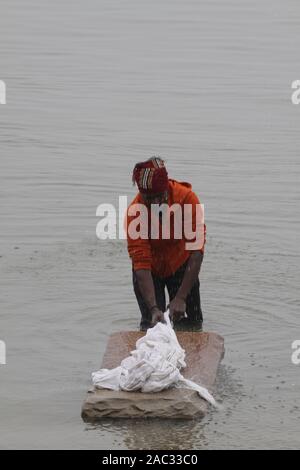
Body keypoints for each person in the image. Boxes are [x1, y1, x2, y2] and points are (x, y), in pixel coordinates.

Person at [126, 157, 206, 331]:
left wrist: (181, 298)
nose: (155, 203)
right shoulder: (135, 212)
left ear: (166, 189)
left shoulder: (187, 199)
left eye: (159, 197)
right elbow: (141, 265)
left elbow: (197, 251)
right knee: (153, 325)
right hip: (150, 272)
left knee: (193, 324)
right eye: (148, 198)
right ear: (142, 195)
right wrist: (154, 308)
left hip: (181, 265)